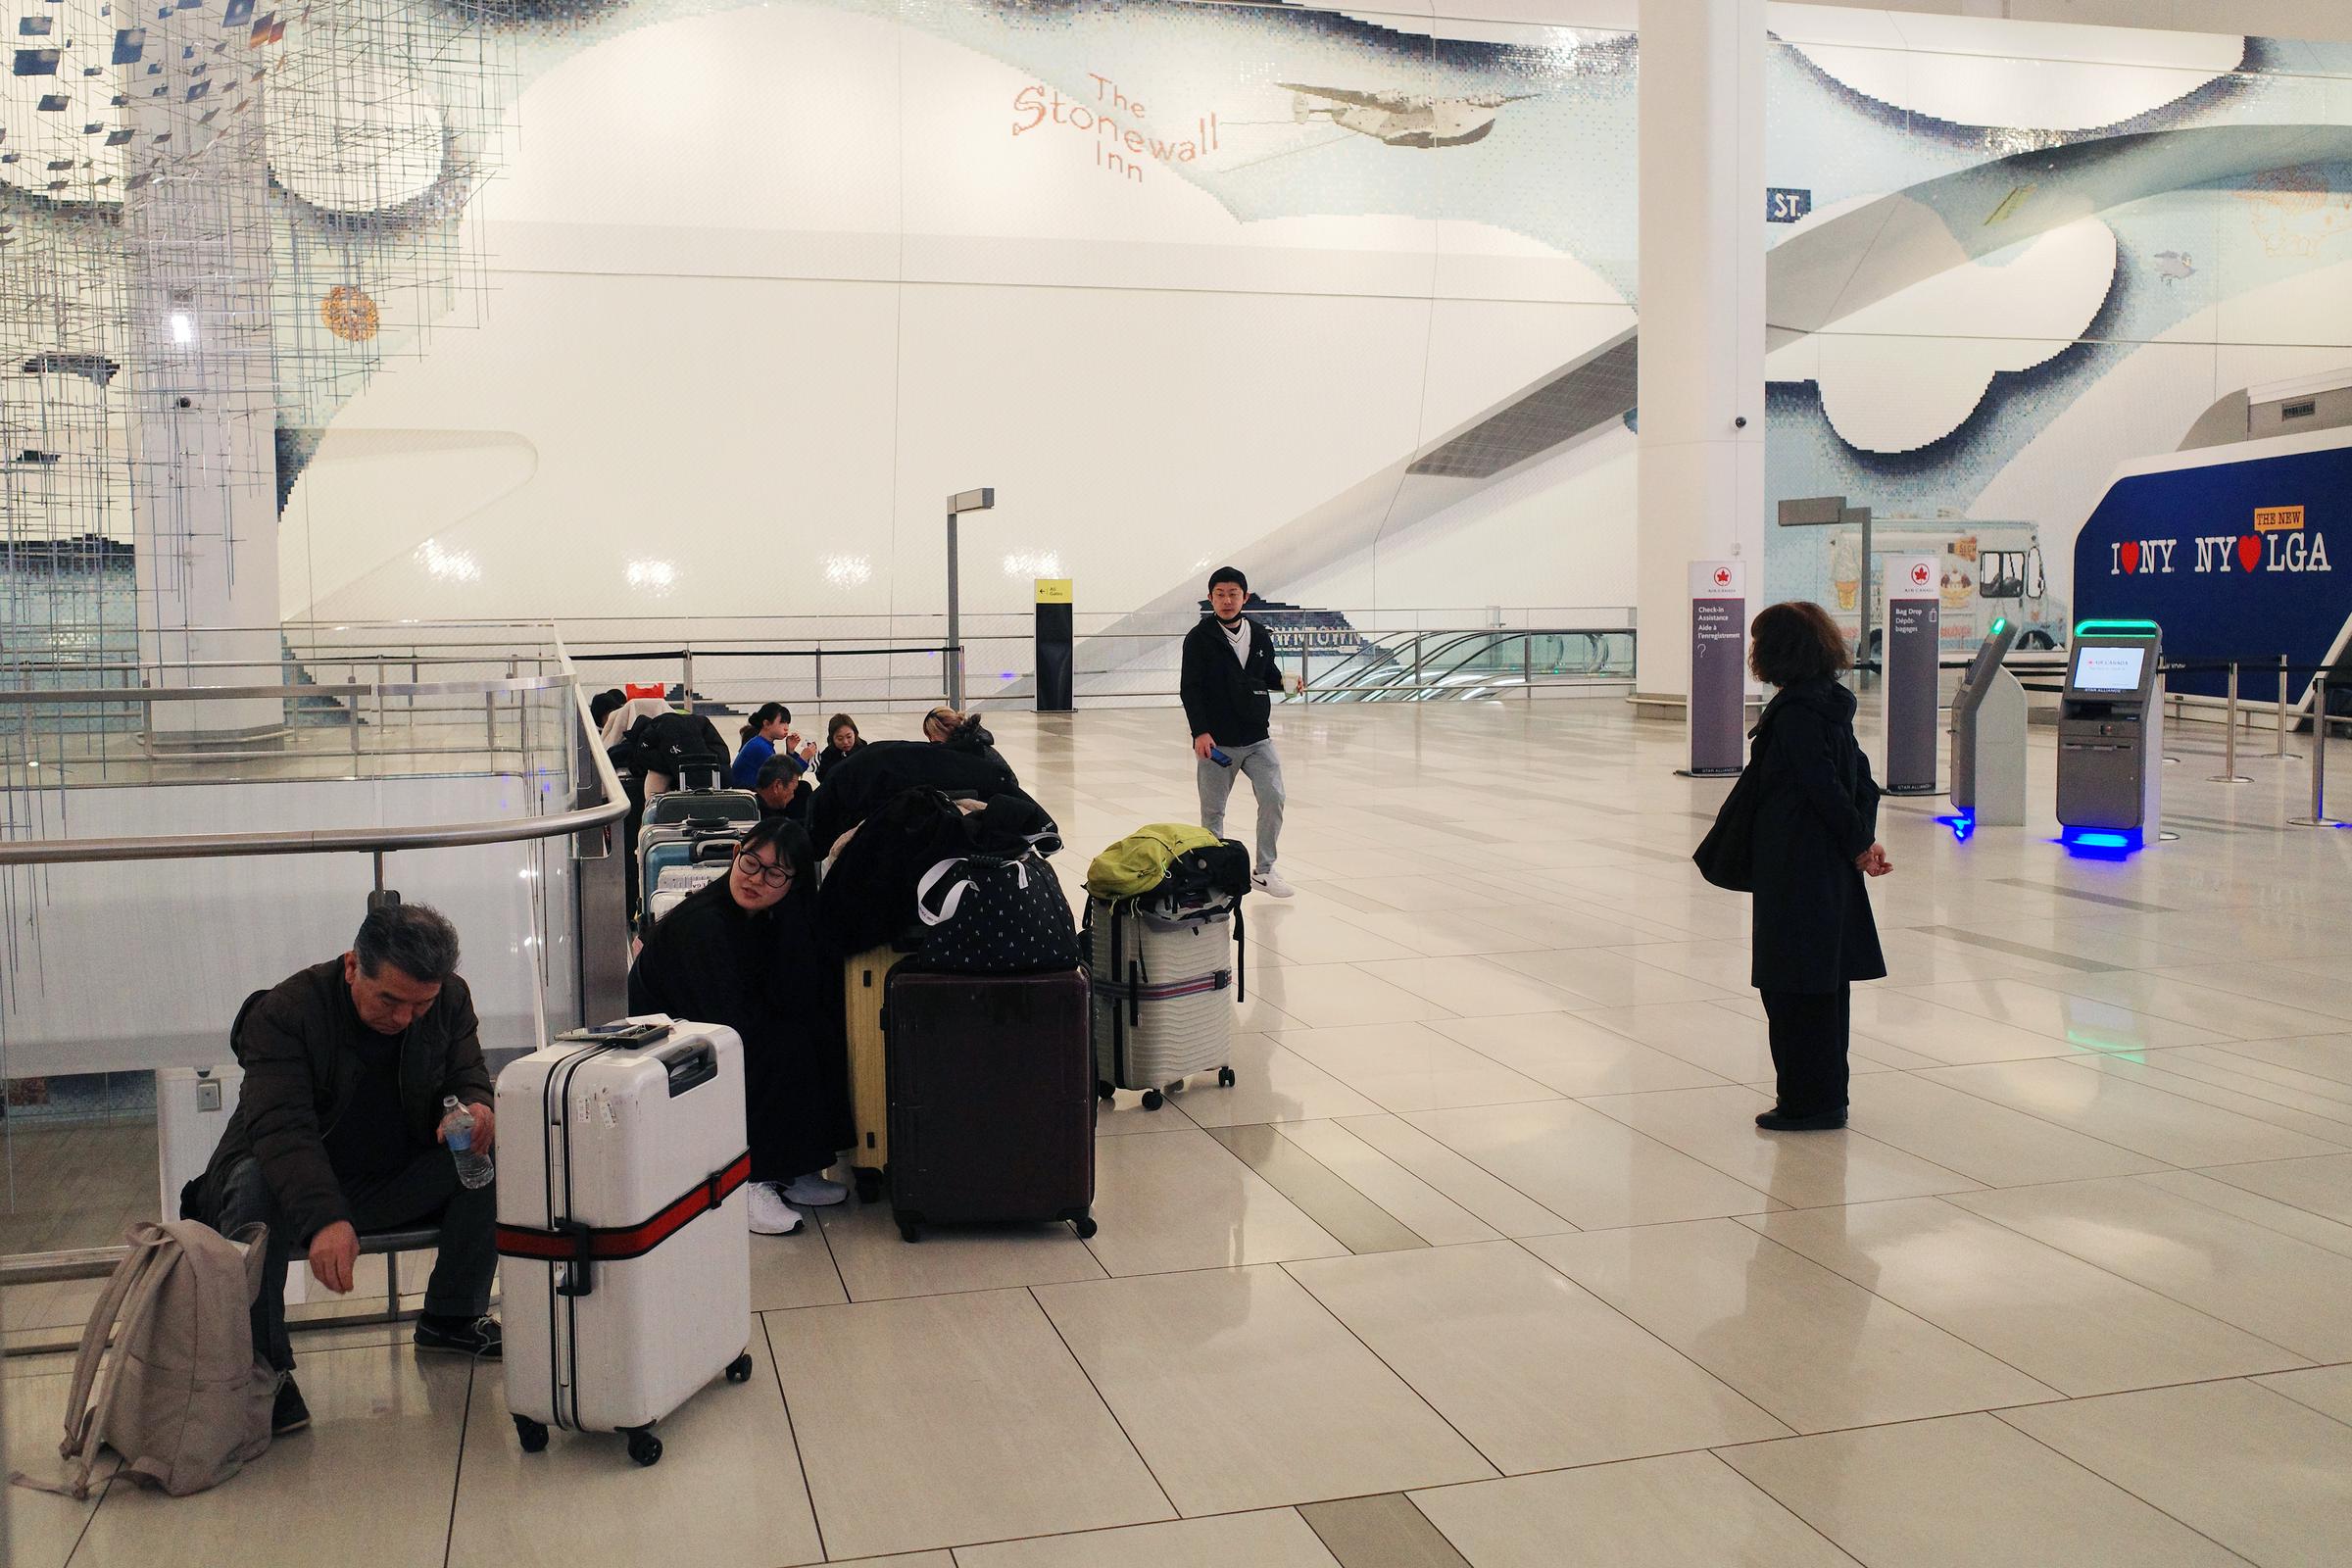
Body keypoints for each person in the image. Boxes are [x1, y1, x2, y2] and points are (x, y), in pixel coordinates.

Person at [193, 902, 501, 1439]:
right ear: (352, 966)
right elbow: (282, 1132)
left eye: (420, 1005)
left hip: (384, 1173)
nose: (405, 1018)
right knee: (254, 1189)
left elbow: (467, 1071)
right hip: (290, 1178)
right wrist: (324, 1219)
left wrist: (474, 1108)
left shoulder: (449, 999)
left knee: (487, 1161)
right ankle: (263, 1369)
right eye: (390, 1001)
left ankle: (451, 1316)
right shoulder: (287, 1014)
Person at [627, 815, 851, 1235]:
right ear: (735, 854)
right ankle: (748, 1177)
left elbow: (791, 988)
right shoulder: (704, 925)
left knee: (813, 1032)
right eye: (750, 862)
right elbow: (726, 1022)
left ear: (794, 883)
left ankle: (792, 1166)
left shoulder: (760, 917)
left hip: (712, 1024)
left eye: (775, 873)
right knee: (774, 1047)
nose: (755, 879)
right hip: (667, 1046)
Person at [1740, 601, 1893, 1131]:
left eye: (1760, 643)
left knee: (1791, 985)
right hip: (1825, 869)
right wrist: (1861, 843)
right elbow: (1861, 782)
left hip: (1795, 868)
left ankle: (1808, 1102)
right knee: (1824, 986)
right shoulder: (1831, 705)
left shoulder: (1798, 714)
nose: (1753, 653)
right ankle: (1826, 1095)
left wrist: (1858, 845)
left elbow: (1822, 786)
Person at [1179, 565, 1299, 899]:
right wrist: (1200, 732)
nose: (1227, 600)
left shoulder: (1259, 634)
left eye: (1233, 594)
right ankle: (1214, 871)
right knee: (1213, 811)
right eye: (1220, 595)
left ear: (1245, 597)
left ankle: (1264, 870)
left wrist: (1286, 683)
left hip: (1257, 737)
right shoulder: (1199, 639)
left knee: (1274, 796)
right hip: (1218, 742)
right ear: (1210, 598)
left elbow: (1267, 674)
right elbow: (1190, 688)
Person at [731, 703, 809, 790]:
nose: (786, 727)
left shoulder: (761, 743)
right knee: (803, 789)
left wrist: (790, 751)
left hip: (755, 794)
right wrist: (803, 758)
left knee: (802, 787)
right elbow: (785, 778)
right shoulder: (760, 747)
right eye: (782, 723)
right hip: (753, 799)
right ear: (766, 724)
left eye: (787, 723)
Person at [755, 751, 812, 823]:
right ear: (777, 786)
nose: (793, 796)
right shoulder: (770, 826)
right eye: (793, 790)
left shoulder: (751, 807)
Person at [813, 712, 865, 780]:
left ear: (855, 734)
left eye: (849, 737)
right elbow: (823, 779)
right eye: (840, 739)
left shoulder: (864, 751)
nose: (845, 742)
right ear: (832, 738)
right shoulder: (827, 756)